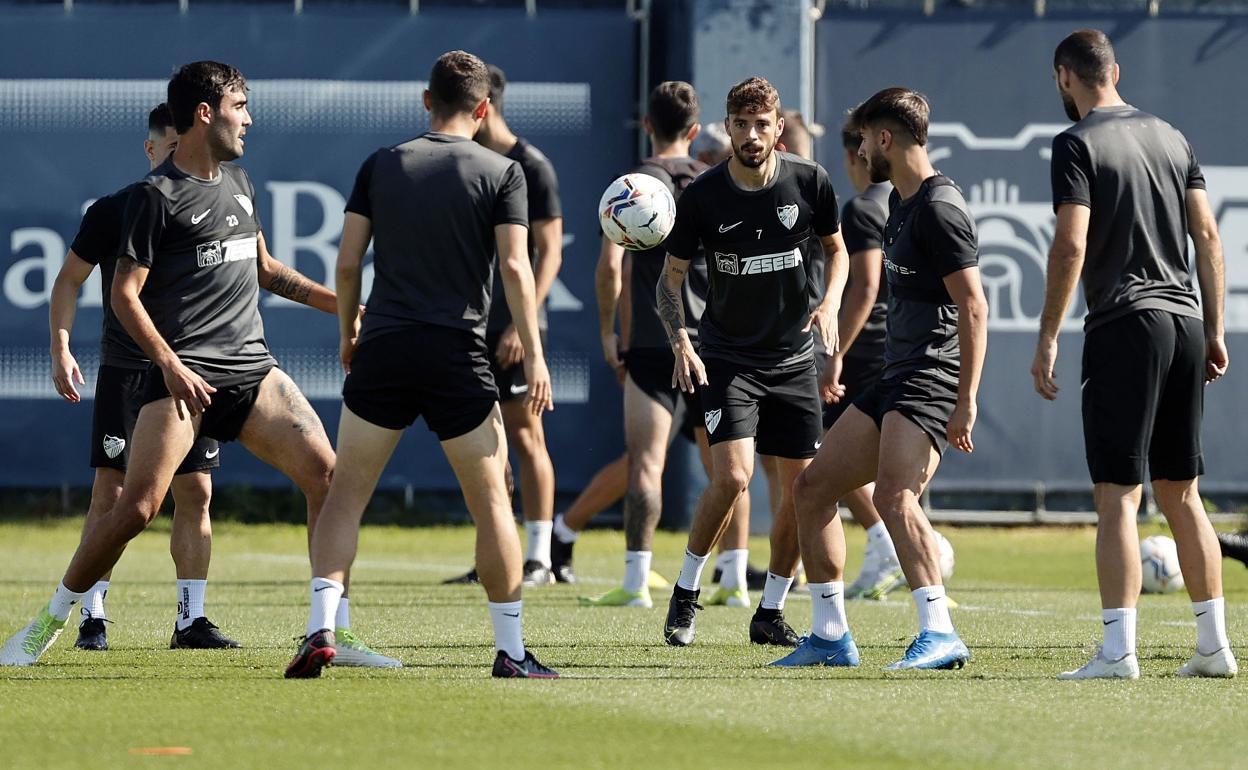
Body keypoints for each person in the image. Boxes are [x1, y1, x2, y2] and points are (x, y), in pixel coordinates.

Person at [0, 60, 391, 669]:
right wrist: (170, 365)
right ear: (205, 114)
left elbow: (268, 271)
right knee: (136, 507)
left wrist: (347, 308)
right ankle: (48, 621)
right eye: (240, 106)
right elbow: (124, 296)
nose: (249, 119)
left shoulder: (240, 182)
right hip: (184, 379)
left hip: (253, 372)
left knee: (330, 478)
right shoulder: (154, 199)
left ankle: (328, 633)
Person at [285, 50, 557, 680]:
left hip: (384, 343)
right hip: (458, 351)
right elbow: (517, 269)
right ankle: (511, 652)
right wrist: (535, 354)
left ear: (426, 100)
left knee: (345, 496)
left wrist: (350, 330)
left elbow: (348, 263)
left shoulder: (382, 164)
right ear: (484, 108)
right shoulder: (502, 170)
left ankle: (319, 629)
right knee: (492, 502)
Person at [1034, 29, 1236, 679]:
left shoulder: (1076, 142)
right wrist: (1215, 328)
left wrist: (1047, 338)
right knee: (1182, 492)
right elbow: (1207, 234)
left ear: (1066, 76)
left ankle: (1118, 652)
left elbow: (1070, 246)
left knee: (1118, 496)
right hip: (1184, 321)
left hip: (1126, 324)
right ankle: (1214, 647)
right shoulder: (1173, 137)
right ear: (1114, 71)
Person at [776, 87, 986, 670]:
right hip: (894, 376)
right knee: (812, 488)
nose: (860, 146)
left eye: (865, 137)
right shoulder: (900, 202)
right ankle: (830, 635)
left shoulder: (942, 208)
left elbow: (974, 308)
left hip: (930, 377)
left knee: (895, 497)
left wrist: (964, 399)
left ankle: (940, 632)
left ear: (886, 139)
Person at [658, 77, 849, 648]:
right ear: (727, 127)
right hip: (726, 357)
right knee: (735, 477)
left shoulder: (809, 182)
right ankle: (687, 589)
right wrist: (680, 341)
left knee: (801, 490)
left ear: (777, 128)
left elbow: (837, 251)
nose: (750, 135)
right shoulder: (704, 195)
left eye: (760, 124)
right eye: (740, 125)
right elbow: (669, 283)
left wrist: (831, 300)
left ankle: (770, 610)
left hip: (793, 359)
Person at [47, 103, 234, 651]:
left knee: (196, 490)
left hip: (194, 371)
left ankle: (190, 620)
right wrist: (60, 345)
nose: (180, 158)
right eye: (170, 148)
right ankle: (92, 614)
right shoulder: (117, 209)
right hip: (131, 372)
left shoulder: (214, 200)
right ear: (151, 149)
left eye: (186, 147)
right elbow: (68, 280)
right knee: (114, 492)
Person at [575, 81, 756, 611]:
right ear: (696, 131)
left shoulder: (633, 185)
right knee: (727, 468)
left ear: (648, 125)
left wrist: (610, 331)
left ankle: (636, 583)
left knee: (645, 464)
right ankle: (736, 580)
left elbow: (611, 268)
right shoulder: (715, 183)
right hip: (716, 347)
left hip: (655, 345)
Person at [442, 64, 565, 588]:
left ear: (484, 106)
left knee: (526, 435)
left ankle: (541, 558)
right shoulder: (468, 163)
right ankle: (497, 550)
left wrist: (522, 320)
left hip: (511, 328)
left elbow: (550, 253)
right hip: (468, 327)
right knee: (482, 443)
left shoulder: (530, 166)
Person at [826, 111, 905, 601]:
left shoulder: (859, 210)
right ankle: (895, 549)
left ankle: (885, 545)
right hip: (901, 349)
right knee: (890, 465)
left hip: (864, 352)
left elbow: (867, 285)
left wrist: (835, 350)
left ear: (855, 154)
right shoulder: (906, 202)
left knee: (826, 458)